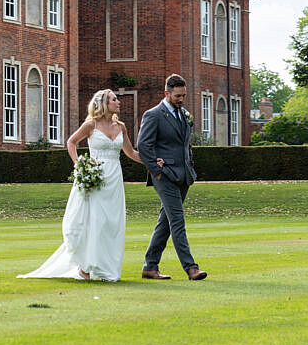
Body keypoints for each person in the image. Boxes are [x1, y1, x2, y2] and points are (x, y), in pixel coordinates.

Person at [18, 89, 143, 282]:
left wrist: (152, 162)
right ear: (104, 103)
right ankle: (86, 267)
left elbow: (131, 153)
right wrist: (80, 166)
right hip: (95, 180)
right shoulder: (90, 124)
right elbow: (71, 142)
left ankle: (105, 268)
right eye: (114, 99)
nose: (118, 102)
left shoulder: (121, 127)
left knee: (111, 224)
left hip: (114, 179)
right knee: (95, 222)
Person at [136, 74, 208, 281]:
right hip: (164, 176)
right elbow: (143, 145)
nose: (181, 99)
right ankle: (191, 268)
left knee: (166, 222)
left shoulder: (184, 114)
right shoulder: (153, 115)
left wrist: (190, 167)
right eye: (177, 95)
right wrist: (156, 171)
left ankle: (150, 266)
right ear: (166, 93)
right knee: (177, 221)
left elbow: (185, 145)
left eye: (184, 95)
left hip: (184, 175)